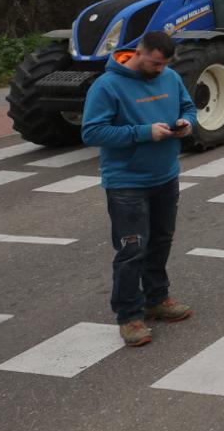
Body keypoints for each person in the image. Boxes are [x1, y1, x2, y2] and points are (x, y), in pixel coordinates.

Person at [82, 30, 197, 348]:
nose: (160, 70)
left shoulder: (170, 77)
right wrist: (144, 132)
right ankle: (129, 315)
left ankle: (157, 299)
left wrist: (187, 123)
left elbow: (188, 107)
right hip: (126, 183)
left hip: (165, 176)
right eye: (156, 63)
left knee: (160, 241)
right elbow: (92, 132)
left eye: (164, 64)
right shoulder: (107, 86)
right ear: (140, 52)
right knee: (132, 250)